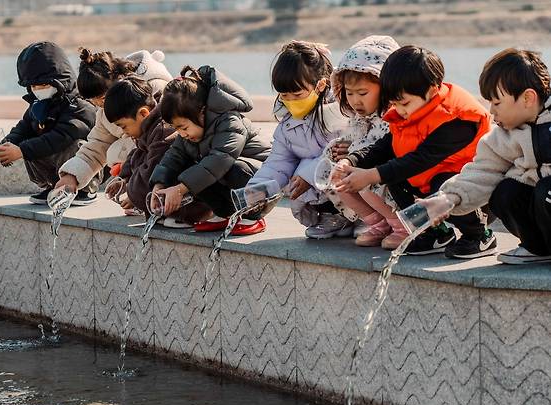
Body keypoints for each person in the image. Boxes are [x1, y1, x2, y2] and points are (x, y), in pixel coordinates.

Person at [335, 45, 495, 258]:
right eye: (394, 103)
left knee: (442, 183)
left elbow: (422, 159)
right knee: (395, 178)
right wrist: (350, 160)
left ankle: (479, 235)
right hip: (430, 180)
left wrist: (371, 175)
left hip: (473, 191)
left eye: (404, 103)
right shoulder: (409, 111)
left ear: (431, 90)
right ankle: (434, 233)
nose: (399, 110)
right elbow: (385, 146)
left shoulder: (457, 118)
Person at [427, 48, 551, 264]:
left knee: (546, 191)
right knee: (505, 191)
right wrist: (448, 198)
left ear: (527, 98)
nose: (492, 111)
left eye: (497, 102)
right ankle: (538, 248)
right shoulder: (505, 135)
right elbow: (482, 170)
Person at [245, 40, 350, 239]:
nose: (291, 101)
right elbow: (278, 161)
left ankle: (366, 219)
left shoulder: (341, 111)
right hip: (322, 189)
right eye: (285, 95)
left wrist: (308, 175)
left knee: (327, 167)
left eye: (297, 94)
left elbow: (341, 150)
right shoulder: (287, 125)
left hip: (344, 178)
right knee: (292, 174)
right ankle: (333, 217)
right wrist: (256, 190)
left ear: (320, 85)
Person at [149, 65, 271, 235]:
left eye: (183, 127)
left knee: (232, 170)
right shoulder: (189, 134)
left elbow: (219, 161)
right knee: (187, 171)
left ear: (201, 112)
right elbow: (172, 158)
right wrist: (159, 184)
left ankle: (254, 215)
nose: (182, 134)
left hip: (264, 181)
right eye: (177, 129)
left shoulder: (229, 121)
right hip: (232, 176)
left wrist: (180, 189)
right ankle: (225, 214)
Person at [54, 48, 172, 210]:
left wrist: (136, 192)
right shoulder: (105, 110)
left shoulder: (155, 89)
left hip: (169, 158)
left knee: (123, 151)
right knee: (117, 152)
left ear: (118, 80)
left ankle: (145, 196)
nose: (99, 105)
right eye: (93, 102)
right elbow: (97, 146)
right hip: (142, 163)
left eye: (102, 98)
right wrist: (71, 176)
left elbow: (166, 140)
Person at [0, 41, 96, 205]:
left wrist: (22, 150)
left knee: (72, 145)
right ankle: (52, 185)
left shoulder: (80, 107)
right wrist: (8, 144)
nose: (38, 89)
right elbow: (23, 128)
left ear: (61, 80)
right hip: (55, 168)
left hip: (88, 170)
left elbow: (60, 137)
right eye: (34, 85)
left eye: (44, 84)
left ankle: (83, 189)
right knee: (30, 142)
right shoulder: (38, 106)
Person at [331, 35, 407, 249]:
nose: (356, 100)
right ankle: (378, 224)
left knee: (365, 185)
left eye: (363, 93)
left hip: (390, 178)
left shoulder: (392, 115)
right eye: (350, 93)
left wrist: (354, 152)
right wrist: (339, 151)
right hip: (366, 171)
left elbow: (380, 148)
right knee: (339, 182)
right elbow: (354, 140)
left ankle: (400, 226)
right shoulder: (358, 118)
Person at [102, 76, 177, 220]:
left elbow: (152, 171)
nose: (124, 132)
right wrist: (123, 179)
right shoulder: (148, 129)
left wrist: (134, 196)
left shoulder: (162, 131)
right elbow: (137, 155)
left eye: (123, 126)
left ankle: (174, 214)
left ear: (143, 113)